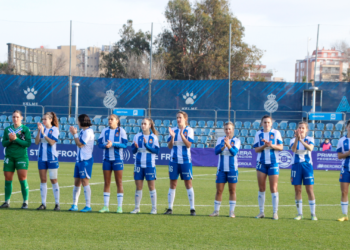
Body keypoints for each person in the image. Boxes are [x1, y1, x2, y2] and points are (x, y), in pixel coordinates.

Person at [164, 111, 196, 216]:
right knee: (173, 183)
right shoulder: (173, 130)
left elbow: (188, 145)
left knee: (188, 183)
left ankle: (192, 209)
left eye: (180, 117)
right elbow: (169, 146)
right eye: (177, 117)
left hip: (186, 161)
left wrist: (182, 135)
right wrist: (172, 137)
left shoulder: (190, 130)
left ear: (185, 119)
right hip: (174, 161)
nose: (178, 119)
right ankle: (169, 208)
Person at [253, 115, 283, 220]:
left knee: (273, 187)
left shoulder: (276, 133)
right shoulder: (258, 134)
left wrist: (271, 145)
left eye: (268, 122)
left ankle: (275, 213)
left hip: (273, 163)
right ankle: (261, 212)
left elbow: (281, 147)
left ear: (271, 123)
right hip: (261, 163)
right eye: (264, 122)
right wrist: (264, 146)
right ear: (261, 123)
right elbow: (256, 149)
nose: (266, 124)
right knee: (261, 188)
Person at [0, 110, 31, 209]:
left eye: (17, 117)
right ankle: (7, 202)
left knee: (22, 179)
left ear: (21, 118)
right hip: (9, 157)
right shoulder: (7, 129)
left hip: (21, 157)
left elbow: (28, 144)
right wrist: (9, 140)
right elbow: (4, 144)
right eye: (14, 117)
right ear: (11, 118)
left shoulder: (25, 129)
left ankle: (25, 202)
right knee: (8, 179)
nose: (15, 119)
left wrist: (16, 139)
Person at [210, 122, 241, 218]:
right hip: (221, 170)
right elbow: (216, 151)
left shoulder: (236, 140)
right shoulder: (220, 139)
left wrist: (228, 144)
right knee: (219, 190)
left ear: (233, 130)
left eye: (229, 129)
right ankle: (216, 211)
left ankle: (231, 212)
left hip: (232, 169)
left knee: (232, 190)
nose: (228, 131)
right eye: (226, 129)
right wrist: (223, 145)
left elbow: (234, 152)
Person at [97, 114, 127, 213]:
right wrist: (106, 145)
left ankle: (119, 207)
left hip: (118, 160)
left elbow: (125, 145)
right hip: (106, 160)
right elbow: (99, 144)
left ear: (117, 121)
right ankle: (106, 206)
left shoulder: (121, 131)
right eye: (109, 119)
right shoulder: (105, 131)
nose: (109, 121)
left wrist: (112, 144)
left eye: (112, 119)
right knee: (107, 182)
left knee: (119, 182)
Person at [130, 118, 159, 214]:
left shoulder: (153, 137)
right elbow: (133, 151)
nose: (143, 125)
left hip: (150, 165)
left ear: (150, 125)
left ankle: (154, 208)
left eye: (145, 124)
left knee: (151, 187)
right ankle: (137, 208)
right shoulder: (137, 136)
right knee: (138, 187)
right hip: (138, 164)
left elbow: (157, 151)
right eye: (142, 123)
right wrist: (135, 147)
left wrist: (147, 146)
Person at [290, 122, 317, 220]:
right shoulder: (293, 139)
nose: (301, 129)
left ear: (306, 130)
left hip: (307, 166)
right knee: (298, 190)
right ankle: (299, 214)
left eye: (303, 128)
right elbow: (293, 150)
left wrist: (301, 140)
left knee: (309, 190)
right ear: (297, 129)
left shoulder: (310, 139)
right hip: (296, 166)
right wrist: (297, 139)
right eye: (299, 128)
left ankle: (313, 214)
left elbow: (310, 148)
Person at [68, 114, 95, 212]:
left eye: (78, 121)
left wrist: (74, 134)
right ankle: (75, 204)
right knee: (76, 182)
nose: (77, 123)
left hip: (85, 160)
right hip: (79, 160)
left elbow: (80, 144)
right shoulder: (83, 131)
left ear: (82, 121)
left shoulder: (88, 132)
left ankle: (88, 205)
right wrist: (75, 134)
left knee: (85, 182)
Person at [35, 112, 61, 211]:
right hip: (41, 157)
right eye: (43, 119)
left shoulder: (54, 129)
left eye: (45, 119)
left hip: (52, 158)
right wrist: (39, 132)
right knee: (43, 180)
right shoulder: (41, 129)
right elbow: (37, 142)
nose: (43, 121)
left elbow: (52, 142)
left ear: (51, 119)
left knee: (53, 180)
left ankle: (57, 204)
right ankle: (43, 204)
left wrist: (43, 134)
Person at [337, 120, 350, 222]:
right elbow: (339, 156)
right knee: (344, 192)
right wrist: (348, 153)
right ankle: (345, 215)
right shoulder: (342, 140)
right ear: (347, 127)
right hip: (345, 169)